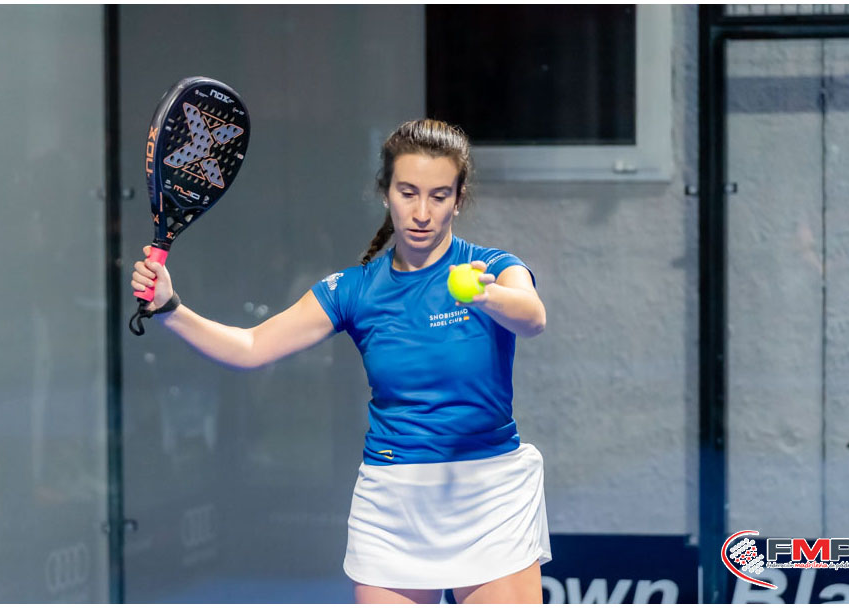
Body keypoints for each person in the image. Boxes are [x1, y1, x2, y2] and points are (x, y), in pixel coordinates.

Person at [131, 118, 552, 604]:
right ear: (386, 192)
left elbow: (532, 318)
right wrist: (170, 309)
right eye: (408, 192)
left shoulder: (494, 268)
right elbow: (251, 348)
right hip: (393, 502)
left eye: (439, 196)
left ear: (458, 199)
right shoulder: (353, 290)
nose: (422, 212)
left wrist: (485, 295)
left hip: (490, 494)